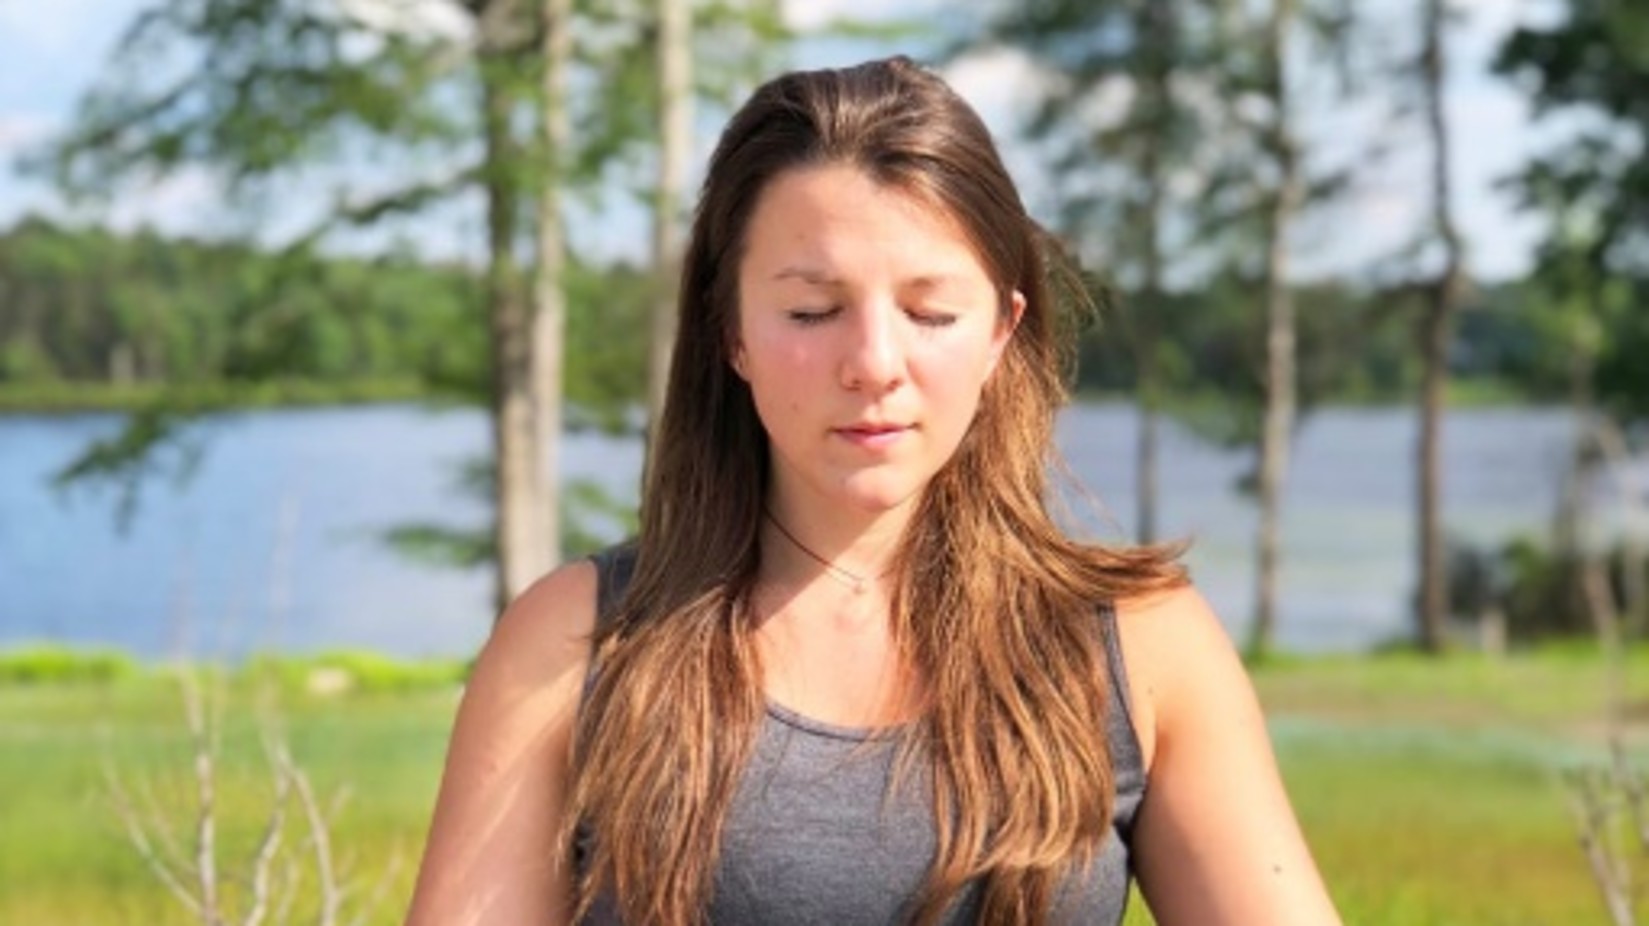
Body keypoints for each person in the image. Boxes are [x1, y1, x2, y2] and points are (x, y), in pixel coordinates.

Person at [407, 56, 1341, 925]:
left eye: (930, 312)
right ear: (730, 332)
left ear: (1000, 333)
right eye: (812, 311)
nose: (873, 364)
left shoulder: (1138, 645)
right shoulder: (576, 642)